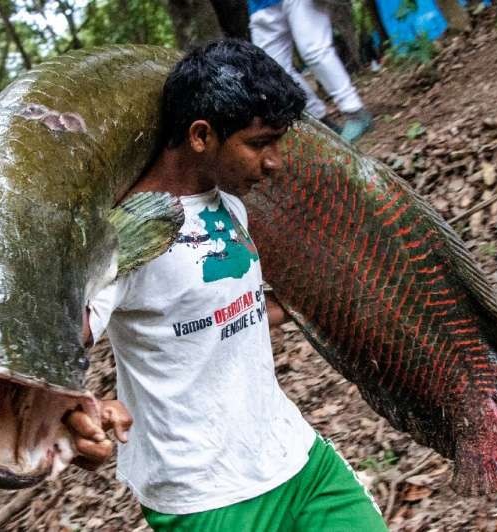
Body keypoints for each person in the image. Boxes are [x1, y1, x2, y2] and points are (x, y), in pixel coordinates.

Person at [65, 40, 388, 530]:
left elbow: (233, 311)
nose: (275, 160)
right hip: (206, 496)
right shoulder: (121, 236)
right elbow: (56, 339)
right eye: (260, 143)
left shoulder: (229, 203)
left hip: (295, 457)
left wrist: (329, 299)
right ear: (201, 136)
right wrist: (75, 409)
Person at [248, 0, 374, 143]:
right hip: (260, 5)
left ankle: (355, 112)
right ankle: (321, 123)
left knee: (315, 52)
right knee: (271, 71)